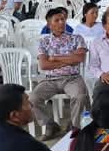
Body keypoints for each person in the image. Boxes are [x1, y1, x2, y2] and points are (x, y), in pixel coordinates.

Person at [31, 8, 89, 140]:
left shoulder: (76, 38)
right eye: (57, 20)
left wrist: (54, 58)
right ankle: (50, 125)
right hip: (50, 79)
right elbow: (44, 65)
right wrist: (69, 59)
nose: (61, 22)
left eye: (63, 19)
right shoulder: (44, 41)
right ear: (49, 24)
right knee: (33, 99)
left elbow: (79, 59)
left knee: (80, 96)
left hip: (72, 78)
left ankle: (74, 126)